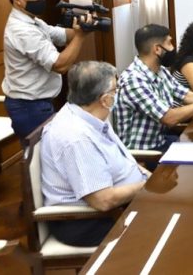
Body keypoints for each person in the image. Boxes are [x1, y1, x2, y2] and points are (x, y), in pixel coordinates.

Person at [41, 61, 150, 247]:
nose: (118, 94)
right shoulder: (77, 138)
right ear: (105, 99)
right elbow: (103, 201)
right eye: (116, 90)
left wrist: (149, 177)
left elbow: (124, 159)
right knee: (166, 229)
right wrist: (148, 186)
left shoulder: (91, 116)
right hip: (88, 221)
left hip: (121, 204)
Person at [115, 24, 193, 157]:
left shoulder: (160, 71)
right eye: (169, 43)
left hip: (163, 140)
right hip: (145, 153)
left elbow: (187, 95)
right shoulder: (134, 80)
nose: (173, 48)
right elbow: (168, 118)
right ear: (157, 49)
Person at [2, 0, 93, 143]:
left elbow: (62, 35)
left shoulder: (33, 21)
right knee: (41, 155)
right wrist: (80, 36)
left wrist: (85, 26)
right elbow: (59, 65)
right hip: (29, 107)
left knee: (46, 153)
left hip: (36, 104)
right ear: (17, 0)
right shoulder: (22, 30)